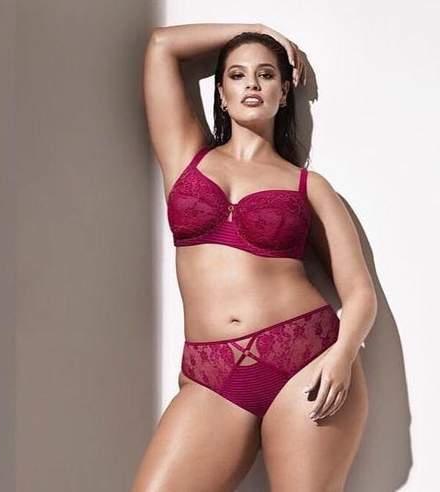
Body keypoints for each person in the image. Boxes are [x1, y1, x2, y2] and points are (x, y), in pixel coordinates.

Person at [131, 22, 377, 492]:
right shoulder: (185, 157)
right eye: (238, 75)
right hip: (211, 373)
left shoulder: (309, 186)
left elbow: (360, 293)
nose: (252, 84)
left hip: (306, 359)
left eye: (266, 75)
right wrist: (258, 31)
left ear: (283, 94)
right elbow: (162, 46)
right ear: (221, 94)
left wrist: (342, 356)